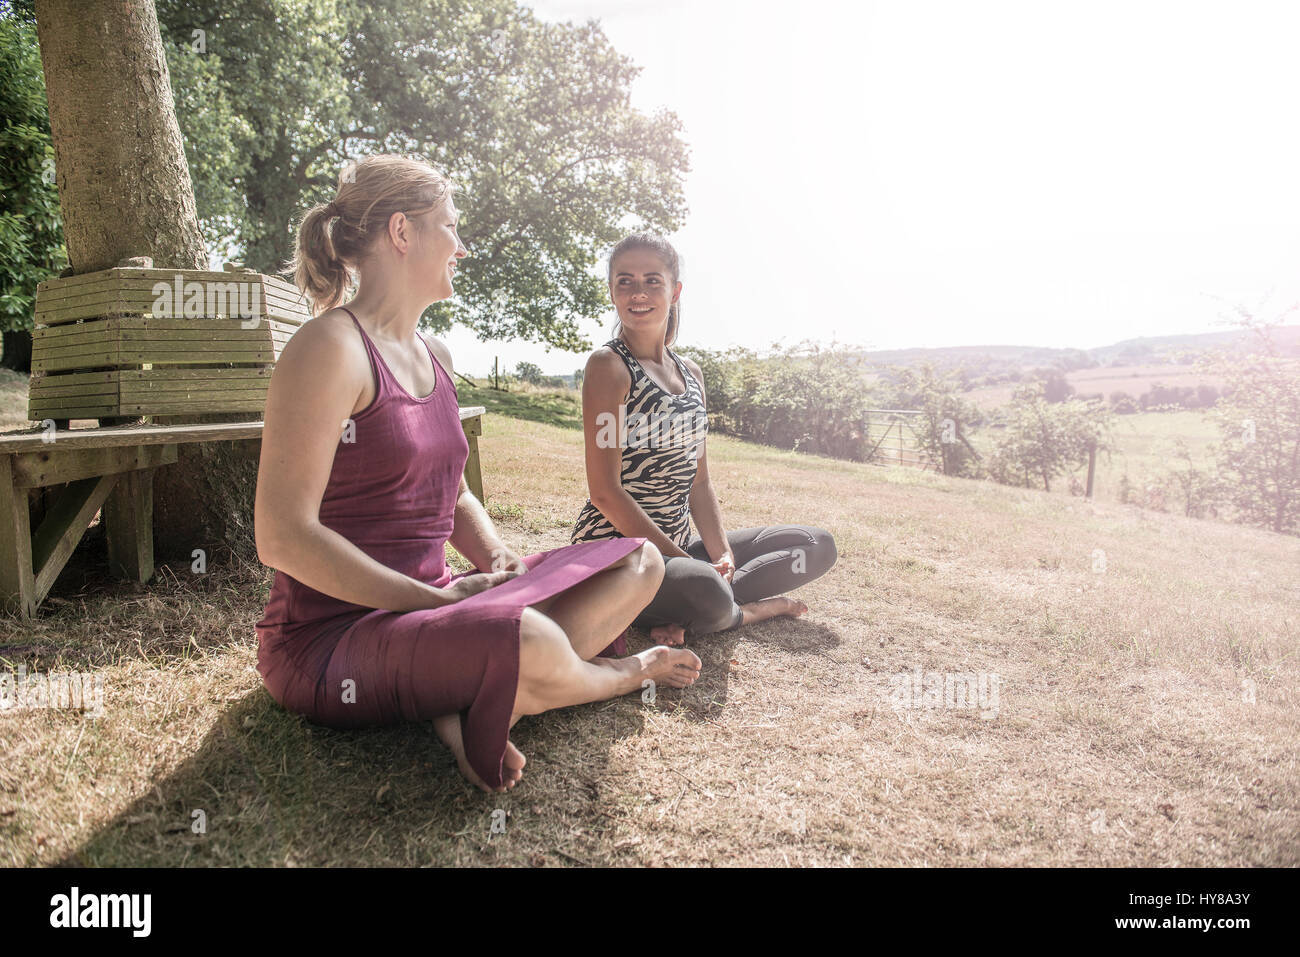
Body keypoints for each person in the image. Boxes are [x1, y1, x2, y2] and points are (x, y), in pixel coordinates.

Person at [254, 156, 702, 794]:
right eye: (451, 228)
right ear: (403, 233)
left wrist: (498, 558)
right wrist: (435, 602)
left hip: (439, 609)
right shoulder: (329, 348)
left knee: (638, 564)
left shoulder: (435, 355)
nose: (461, 247)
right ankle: (627, 673)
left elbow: (455, 492)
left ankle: (466, 695)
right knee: (532, 638)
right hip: (333, 638)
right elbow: (282, 536)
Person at [571, 233, 838, 645]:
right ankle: (742, 611)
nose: (638, 292)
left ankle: (699, 605)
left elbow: (700, 482)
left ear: (675, 291)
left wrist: (721, 555)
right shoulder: (609, 366)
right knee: (702, 584)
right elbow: (606, 493)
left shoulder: (691, 373)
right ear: (611, 291)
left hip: (677, 551)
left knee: (815, 546)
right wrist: (687, 564)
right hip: (619, 557)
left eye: (652, 281)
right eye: (625, 281)